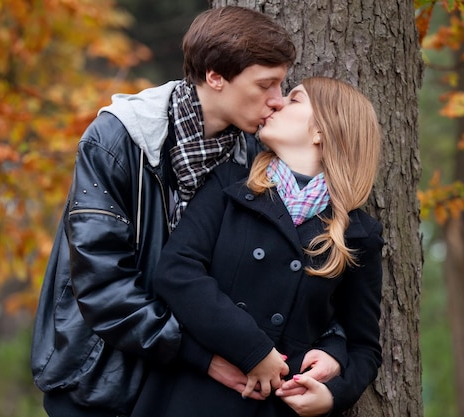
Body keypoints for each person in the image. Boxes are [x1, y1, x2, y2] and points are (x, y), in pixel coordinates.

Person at [30, 7, 348, 417]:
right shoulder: (117, 140)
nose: (277, 100)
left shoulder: (255, 159)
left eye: (281, 84)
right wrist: (204, 356)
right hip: (101, 380)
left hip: (185, 394)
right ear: (215, 76)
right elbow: (101, 284)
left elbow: (297, 278)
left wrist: (335, 352)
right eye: (265, 84)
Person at [130, 76, 384, 417]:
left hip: (276, 407)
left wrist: (332, 395)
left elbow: (363, 345)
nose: (277, 102)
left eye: (294, 100)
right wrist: (253, 349)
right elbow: (176, 272)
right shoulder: (228, 184)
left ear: (320, 131)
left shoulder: (358, 233)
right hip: (189, 395)